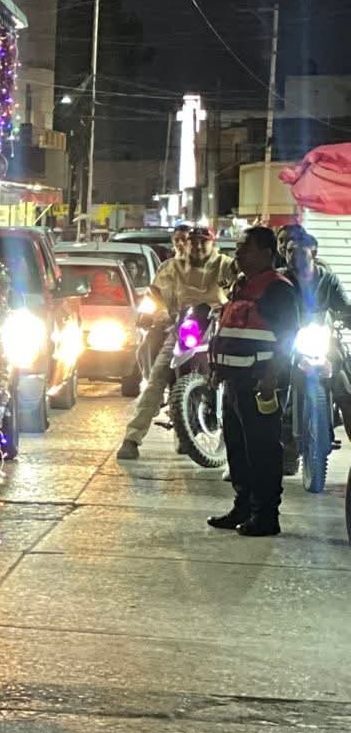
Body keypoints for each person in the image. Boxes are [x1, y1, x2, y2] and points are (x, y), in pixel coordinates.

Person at [207, 225, 299, 537]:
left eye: (245, 248)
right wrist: (217, 369)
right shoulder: (242, 285)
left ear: (266, 253)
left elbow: (288, 337)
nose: (238, 253)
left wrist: (271, 377)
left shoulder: (278, 289)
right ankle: (243, 506)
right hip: (234, 379)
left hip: (261, 381)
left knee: (262, 449)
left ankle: (265, 516)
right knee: (238, 447)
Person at [116, 225, 236, 459]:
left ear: (213, 242)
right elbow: (156, 297)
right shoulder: (171, 267)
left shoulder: (226, 265)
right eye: (194, 241)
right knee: (157, 376)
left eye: (204, 241)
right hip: (184, 328)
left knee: (239, 380)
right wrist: (162, 315)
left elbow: (240, 290)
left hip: (222, 331)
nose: (199, 245)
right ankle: (132, 437)